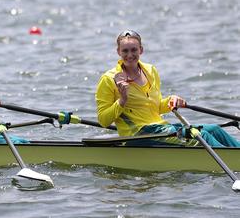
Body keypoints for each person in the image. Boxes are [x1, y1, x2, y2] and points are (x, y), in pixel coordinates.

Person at [95, 30, 240, 147]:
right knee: (202, 136)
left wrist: (171, 101)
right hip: (138, 134)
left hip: (159, 129)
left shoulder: (150, 71)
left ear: (141, 50)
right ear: (118, 52)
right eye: (125, 51)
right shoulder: (109, 79)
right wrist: (122, 100)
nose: (130, 55)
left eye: (134, 50)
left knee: (215, 129)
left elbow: (155, 108)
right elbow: (103, 120)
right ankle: (232, 161)